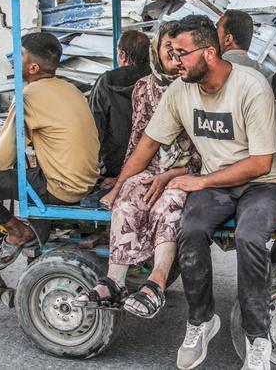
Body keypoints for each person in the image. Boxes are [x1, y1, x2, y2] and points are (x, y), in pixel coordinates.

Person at [98, 15, 276, 370]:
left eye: (182, 54)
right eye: (171, 53)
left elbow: (261, 163)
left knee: (250, 235)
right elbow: (148, 144)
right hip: (217, 184)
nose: (175, 62)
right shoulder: (180, 90)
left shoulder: (251, 86)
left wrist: (201, 181)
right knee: (189, 229)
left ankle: (257, 338)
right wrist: (119, 185)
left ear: (209, 52)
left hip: (265, 186)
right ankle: (201, 321)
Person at [73, 22, 201, 318]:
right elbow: (138, 142)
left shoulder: (196, 87)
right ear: (155, 51)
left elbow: (204, 148)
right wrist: (119, 185)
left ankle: (155, 283)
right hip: (151, 166)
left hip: (188, 170)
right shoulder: (143, 87)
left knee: (168, 201)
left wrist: (172, 174)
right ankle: (114, 281)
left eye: (178, 48)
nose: (172, 52)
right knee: (129, 199)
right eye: (166, 46)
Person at [0, 32, 100, 268]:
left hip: (62, 188)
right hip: (86, 181)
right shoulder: (71, 90)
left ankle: (18, 231)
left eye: (19, 55)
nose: (13, 60)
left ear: (33, 67)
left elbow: (1, 159)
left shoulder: (27, 97)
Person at [89, 30, 151, 187]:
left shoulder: (106, 81)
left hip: (113, 166)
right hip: (150, 163)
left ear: (122, 55)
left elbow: (94, 126)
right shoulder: (155, 79)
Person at [216, 9, 272, 78]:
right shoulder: (265, 74)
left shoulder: (213, 69)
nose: (211, 34)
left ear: (228, 39)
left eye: (216, 28)